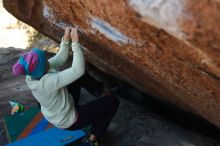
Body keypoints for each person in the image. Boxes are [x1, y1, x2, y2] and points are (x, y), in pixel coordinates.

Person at [12, 27, 119, 145]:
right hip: (70, 121)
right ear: (42, 67)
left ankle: (99, 90)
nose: (48, 61)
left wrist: (66, 39)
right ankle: (94, 138)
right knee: (113, 102)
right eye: (45, 61)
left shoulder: (32, 75)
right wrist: (76, 44)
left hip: (60, 109)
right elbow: (78, 70)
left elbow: (60, 58)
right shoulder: (47, 82)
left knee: (78, 78)